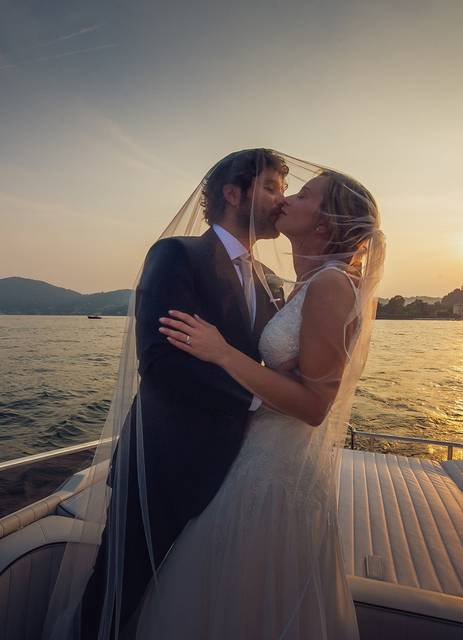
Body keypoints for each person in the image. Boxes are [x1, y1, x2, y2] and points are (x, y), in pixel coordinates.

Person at [136, 169, 385, 639]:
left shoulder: (331, 285)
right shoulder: (305, 284)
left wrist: (221, 351)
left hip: (276, 469)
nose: (288, 198)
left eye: (304, 194)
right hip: (253, 455)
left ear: (325, 223)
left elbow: (314, 407)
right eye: (283, 188)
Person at [75, 148, 289, 639]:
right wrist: (262, 401)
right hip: (163, 464)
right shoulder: (176, 256)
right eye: (272, 187)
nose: (283, 199)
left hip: (237, 468)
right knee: (117, 590)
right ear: (233, 193)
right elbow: (161, 363)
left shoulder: (267, 279)